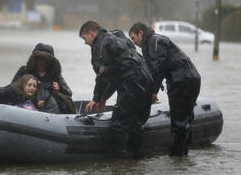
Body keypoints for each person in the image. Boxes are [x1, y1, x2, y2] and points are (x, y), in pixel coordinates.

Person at [79, 20, 153, 158]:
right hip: (146, 79)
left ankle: (121, 166)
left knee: (118, 125)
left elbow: (103, 75)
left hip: (132, 83)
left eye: (84, 38)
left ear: (90, 33)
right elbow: (115, 75)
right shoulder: (118, 37)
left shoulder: (100, 44)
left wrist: (96, 98)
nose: (85, 42)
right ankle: (137, 162)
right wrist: (104, 98)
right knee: (135, 123)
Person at [129, 22, 201, 156]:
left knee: (179, 121)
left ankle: (177, 155)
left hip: (181, 80)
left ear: (141, 33)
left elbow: (157, 69)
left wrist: (153, 92)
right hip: (191, 78)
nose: (133, 43)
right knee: (186, 119)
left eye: (133, 38)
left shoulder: (152, 42)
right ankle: (183, 158)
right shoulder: (155, 41)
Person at [12, 43, 75, 114]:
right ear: (34, 59)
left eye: (45, 59)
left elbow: (69, 93)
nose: (41, 62)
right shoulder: (24, 70)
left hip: (49, 110)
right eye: (39, 59)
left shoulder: (55, 75)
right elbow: (13, 88)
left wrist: (59, 88)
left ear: (50, 61)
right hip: (26, 106)